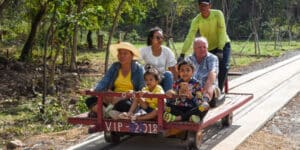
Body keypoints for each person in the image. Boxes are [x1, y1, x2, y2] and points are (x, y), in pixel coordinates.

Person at [179, 0, 231, 92]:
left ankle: (218, 90)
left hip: (222, 44)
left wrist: (220, 49)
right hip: (207, 47)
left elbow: (222, 31)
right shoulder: (196, 20)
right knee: (202, 69)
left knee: (223, 66)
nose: (203, 8)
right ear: (198, 7)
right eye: (201, 6)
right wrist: (182, 53)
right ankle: (200, 90)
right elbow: (190, 36)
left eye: (205, 6)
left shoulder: (218, 14)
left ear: (210, 6)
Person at [85, 42, 145, 119]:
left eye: (125, 53)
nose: (122, 56)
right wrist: (93, 90)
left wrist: (127, 95)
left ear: (132, 55)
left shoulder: (138, 69)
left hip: (128, 99)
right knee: (90, 100)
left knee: (125, 105)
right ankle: (112, 115)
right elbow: (104, 81)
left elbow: (143, 88)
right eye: (120, 53)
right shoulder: (115, 66)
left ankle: (107, 114)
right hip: (112, 97)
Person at [140, 27, 178, 92]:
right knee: (141, 70)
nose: (160, 40)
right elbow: (134, 61)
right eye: (157, 38)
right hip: (148, 79)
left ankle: (168, 100)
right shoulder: (144, 50)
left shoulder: (167, 51)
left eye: (161, 38)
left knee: (168, 74)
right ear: (151, 38)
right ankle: (144, 96)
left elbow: (173, 69)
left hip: (161, 78)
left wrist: (177, 85)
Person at [185, 37, 219, 101]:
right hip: (192, 86)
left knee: (210, 87)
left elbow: (212, 74)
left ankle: (204, 102)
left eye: (204, 47)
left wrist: (205, 88)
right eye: (199, 47)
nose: (202, 49)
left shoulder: (212, 58)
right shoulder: (188, 59)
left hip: (208, 86)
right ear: (194, 49)